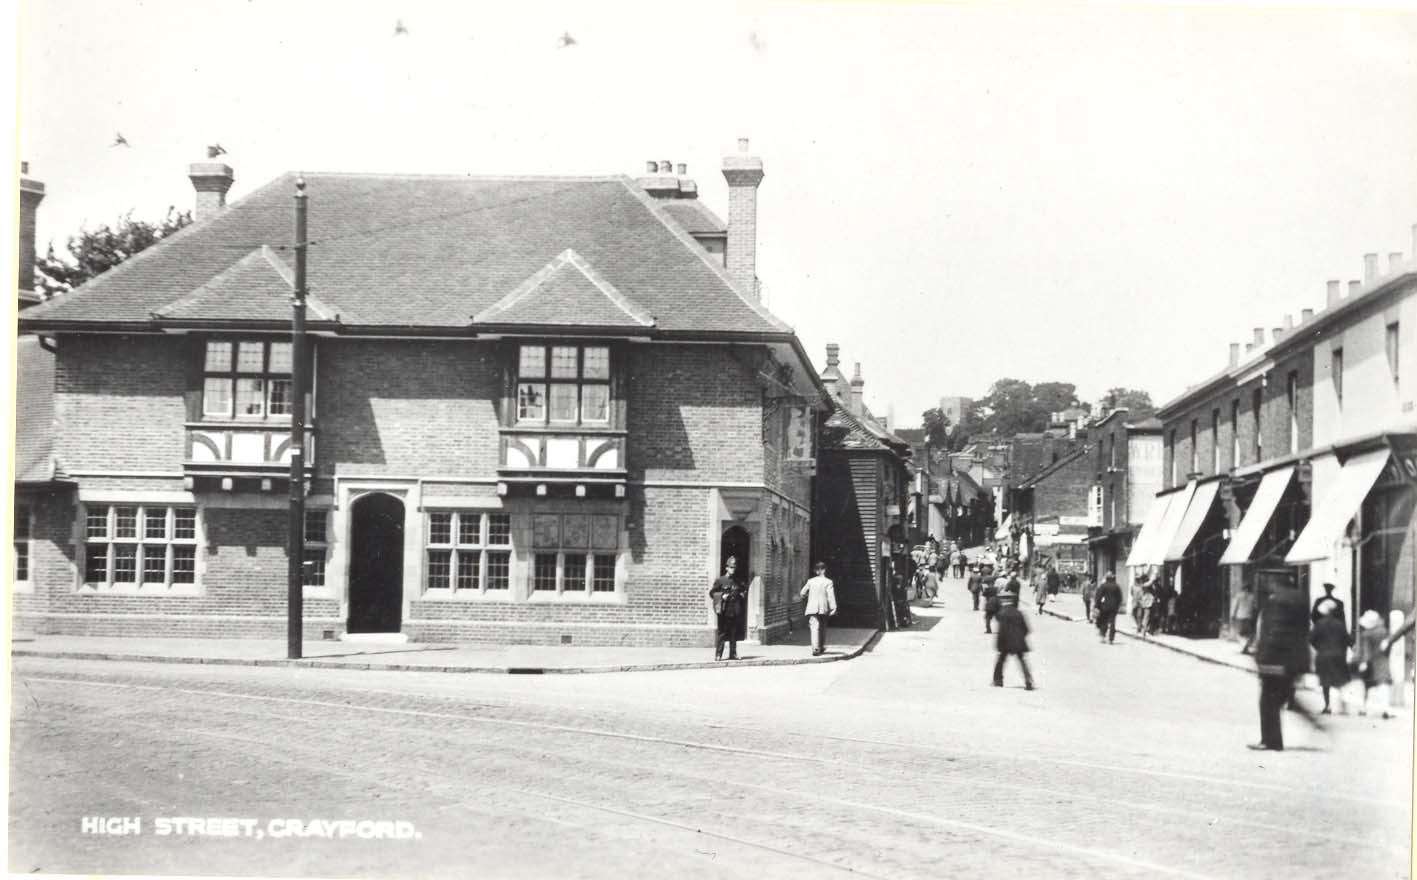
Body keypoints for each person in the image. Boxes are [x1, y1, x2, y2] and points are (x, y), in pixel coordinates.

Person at [1250, 583, 1318, 751]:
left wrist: (1262, 659)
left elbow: (1272, 637)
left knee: (1268, 702)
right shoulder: (1298, 607)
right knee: (1280, 698)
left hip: (1274, 663)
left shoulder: (1275, 606)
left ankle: (1271, 741)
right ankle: (1276, 738)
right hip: (1292, 662)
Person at [1308, 605, 1352, 715]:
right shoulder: (1340, 625)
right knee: (1340, 681)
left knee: (1325, 682)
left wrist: (1319, 648)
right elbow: (1347, 640)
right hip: (1338, 656)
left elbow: (1311, 639)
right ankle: (1342, 706)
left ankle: (1327, 705)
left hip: (1323, 656)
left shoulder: (1319, 624)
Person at [1355, 609, 1393, 719]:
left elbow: (1366, 650)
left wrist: (1364, 662)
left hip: (1371, 663)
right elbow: (1388, 645)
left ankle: (1364, 708)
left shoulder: (1366, 634)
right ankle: (1385, 709)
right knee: (1383, 686)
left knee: (1367, 687)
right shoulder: (1384, 631)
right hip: (1383, 661)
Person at [992, 593, 1035, 690]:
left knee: (1001, 661)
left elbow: (1001, 630)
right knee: (1022, 661)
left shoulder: (1001, 613)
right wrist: (1020, 637)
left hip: (1005, 642)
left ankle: (998, 680)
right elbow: (1026, 629)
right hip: (1018, 641)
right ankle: (1028, 680)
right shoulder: (1019, 613)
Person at [709, 556, 747, 661]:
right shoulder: (720, 580)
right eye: (730, 567)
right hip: (724, 611)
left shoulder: (737, 581)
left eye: (734, 567)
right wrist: (721, 596)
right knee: (722, 633)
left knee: (733, 634)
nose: (732, 569)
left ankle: (733, 654)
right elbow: (712, 593)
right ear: (726, 568)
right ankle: (718, 655)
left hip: (734, 610)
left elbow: (743, 590)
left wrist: (742, 594)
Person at [799, 561, 837, 656]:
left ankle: (815, 648)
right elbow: (830, 596)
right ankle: (821, 646)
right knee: (823, 627)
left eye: (817, 569)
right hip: (823, 608)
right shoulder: (828, 582)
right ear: (824, 570)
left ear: (817, 571)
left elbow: (802, 593)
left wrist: (809, 597)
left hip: (812, 607)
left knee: (814, 627)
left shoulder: (810, 581)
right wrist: (833, 607)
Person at [1094, 572, 1123, 644]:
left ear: (1106, 578)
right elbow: (1120, 598)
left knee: (1104, 621)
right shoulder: (1116, 586)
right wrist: (1118, 606)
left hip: (1104, 606)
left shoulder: (1103, 586)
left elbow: (1099, 596)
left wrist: (1097, 606)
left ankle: (1103, 637)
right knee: (1112, 622)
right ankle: (1111, 639)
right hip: (1113, 607)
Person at [1232, 584, 1257, 654]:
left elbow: (1235, 606)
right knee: (1248, 634)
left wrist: (1233, 615)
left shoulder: (1238, 596)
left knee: (1239, 634)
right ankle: (1245, 648)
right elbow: (1255, 607)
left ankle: (1244, 647)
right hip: (1248, 617)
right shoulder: (1252, 597)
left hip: (1239, 617)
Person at [982, 570, 1001, 634]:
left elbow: (983, 595)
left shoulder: (987, 589)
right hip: (996, 603)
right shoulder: (996, 589)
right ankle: (1000, 629)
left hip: (989, 604)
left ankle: (988, 630)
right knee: (998, 618)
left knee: (987, 618)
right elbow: (999, 594)